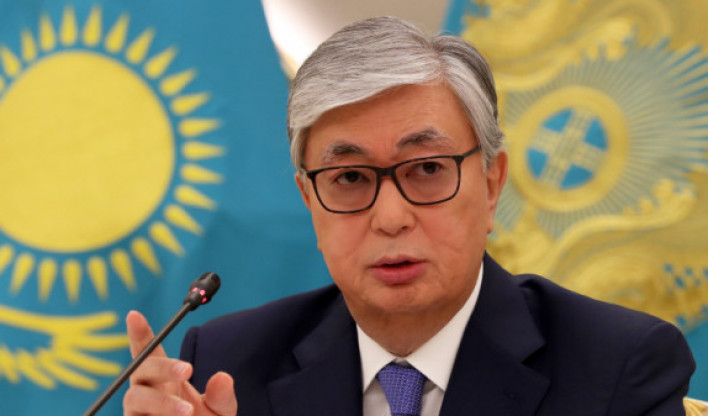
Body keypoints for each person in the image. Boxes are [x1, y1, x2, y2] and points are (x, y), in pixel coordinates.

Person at [122, 16, 695, 416]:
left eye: (426, 169)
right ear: (309, 200)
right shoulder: (221, 367)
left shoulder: (620, 367)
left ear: (491, 184)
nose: (391, 217)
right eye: (350, 178)